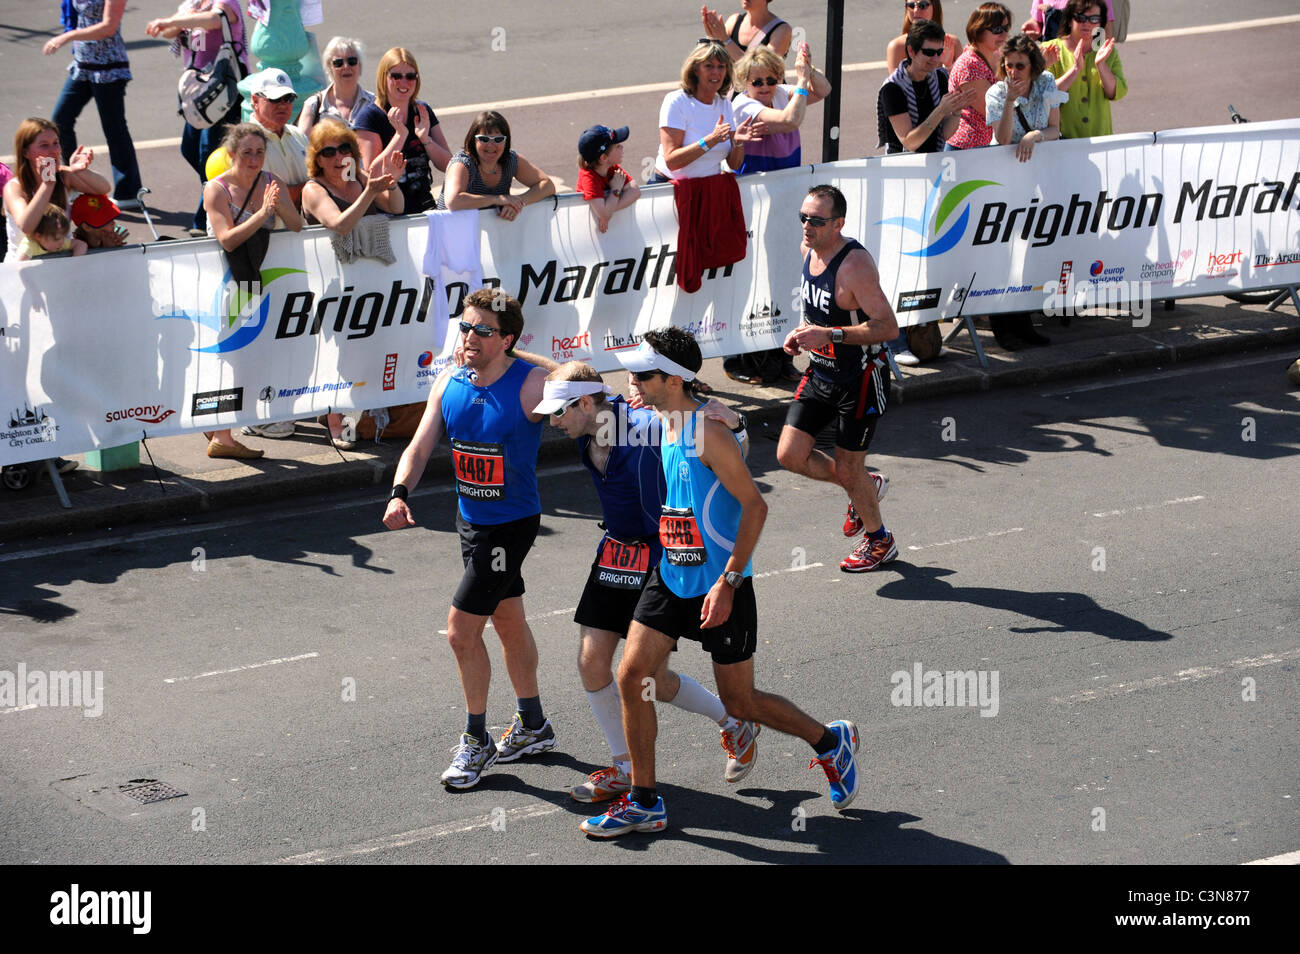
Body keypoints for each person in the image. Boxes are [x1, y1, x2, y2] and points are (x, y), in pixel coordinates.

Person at [580, 329, 861, 837]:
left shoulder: (706, 433)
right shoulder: (661, 420)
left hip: (721, 583)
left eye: (643, 374)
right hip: (671, 574)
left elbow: (756, 505)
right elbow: (574, 394)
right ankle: (645, 800)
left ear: (673, 379)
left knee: (741, 703)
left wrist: (729, 581)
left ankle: (828, 740)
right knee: (631, 675)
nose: (631, 381)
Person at [535, 361, 759, 803]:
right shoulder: (587, 425)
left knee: (649, 678)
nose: (551, 423)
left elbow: (719, 440)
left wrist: (737, 420)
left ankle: (734, 723)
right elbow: (560, 373)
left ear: (584, 402)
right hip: (617, 549)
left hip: (664, 557)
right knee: (591, 660)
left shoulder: (645, 424)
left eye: (558, 413)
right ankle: (623, 767)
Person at [382, 289, 555, 791]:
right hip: (470, 521)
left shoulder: (531, 384)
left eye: (483, 330)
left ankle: (476, 740)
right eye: (465, 327)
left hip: (511, 526)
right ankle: (533, 724)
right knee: (506, 619)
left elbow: (584, 376)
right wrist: (399, 493)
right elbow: (418, 447)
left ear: (507, 339)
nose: (469, 338)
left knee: (460, 632)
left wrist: (516, 353)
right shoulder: (449, 381)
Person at [778, 185, 900, 573]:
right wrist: (800, 333)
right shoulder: (807, 251)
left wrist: (829, 336)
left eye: (817, 220)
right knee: (789, 455)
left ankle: (880, 540)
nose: (807, 227)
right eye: (804, 217)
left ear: (839, 223)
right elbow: (818, 314)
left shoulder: (854, 266)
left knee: (849, 468)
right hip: (821, 372)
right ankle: (863, 484)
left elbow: (888, 327)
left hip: (860, 378)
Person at [723, 42, 831, 385]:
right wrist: (799, 82)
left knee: (782, 277)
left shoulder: (784, 92)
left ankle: (778, 356)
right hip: (756, 205)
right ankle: (739, 357)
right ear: (745, 84)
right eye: (758, 81)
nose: (767, 86)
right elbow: (790, 121)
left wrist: (807, 70)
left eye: (772, 78)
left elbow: (824, 89)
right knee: (753, 278)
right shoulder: (743, 105)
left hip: (786, 202)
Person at [202, 123, 303, 459]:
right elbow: (227, 238)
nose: (254, 158)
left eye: (260, 152)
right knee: (229, 359)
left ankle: (223, 433)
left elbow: (297, 223)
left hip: (253, 283)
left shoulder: (270, 182)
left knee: (246, 358)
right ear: (231, 154)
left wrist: (277, 203)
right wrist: (261, 213)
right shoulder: (216, 190)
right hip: (223, 286)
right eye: (247, 152)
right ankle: (222, 436)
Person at [301, 119, 404, 448]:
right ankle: (334, 420)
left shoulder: (359, 178)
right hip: (330, 284)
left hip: (368, 279)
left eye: (345, 148)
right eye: (329, 151)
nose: (338, 156)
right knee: (337, 354)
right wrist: (371, 192)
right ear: (318, 158)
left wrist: (393, 184)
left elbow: (397, 207)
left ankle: (359, 412)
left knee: (367, 347)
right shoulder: (313, 189)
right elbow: (340, 224)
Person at [878, 20, 970, 365]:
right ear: (911, 52)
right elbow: (909, 140)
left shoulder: (941, 78)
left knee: (926, 261)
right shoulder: (893, 89)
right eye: (928, 53)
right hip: (902, 179)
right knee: (901, 261)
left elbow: (947, 131)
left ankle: (922, 334)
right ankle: (896, 339)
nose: (935, 59)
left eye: (940, 52)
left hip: (933, 176)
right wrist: (942, 111)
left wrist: (955, 110)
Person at [985, 34, 1063, 350]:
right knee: (1003, 252)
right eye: (1009, 65)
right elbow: (1002, 140)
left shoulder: (1045, 83)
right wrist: (1008, 102)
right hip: (1002, 179)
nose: (1014, 71)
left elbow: (1055, 129)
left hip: (1035, 177)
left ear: (1033, 66)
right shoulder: (997, 91)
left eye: (1021, 65)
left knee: (1029, 251)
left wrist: (1034, 136)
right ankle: (1001, 326)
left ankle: (1024, 321)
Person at [146, 0, 248, 236]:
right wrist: (174, 22)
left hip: (223, 89)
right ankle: (230, 191)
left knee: (207, 154)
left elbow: (214, 19)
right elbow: (171, 31)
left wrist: (175, 20)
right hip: (197, 91)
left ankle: (203, 221)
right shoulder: (192, 4)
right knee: (189, 149)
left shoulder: (225, 2)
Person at [44, 0, 142, 207]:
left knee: (114, 128)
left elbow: (108, 27)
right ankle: (71, 182)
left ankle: (128, 192)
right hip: (82, 65)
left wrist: (67, 36)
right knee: (60, 121)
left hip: (108, 67)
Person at [649, 40, 763, 183]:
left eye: (721, 67)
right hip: (670, 189)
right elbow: (672, 162)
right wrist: (711, 140)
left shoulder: (725, 105)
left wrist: (738, 143)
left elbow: (734, 164)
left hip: (707, 189)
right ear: (695, 70)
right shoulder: (676, 101)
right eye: (709, 66)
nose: (716, 72)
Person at [354, 48, 450, 214]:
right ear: (384, 78)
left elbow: (450, 165)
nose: (404, 82)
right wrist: (400, 136)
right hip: (389, 212)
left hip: (424, 208)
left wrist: (426, 139)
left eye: (410, 76)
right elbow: (373, 174)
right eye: (396, 76)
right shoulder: (369, 117)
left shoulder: (422, 110)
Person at [4, 118, 110, 261]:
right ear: (25, 153)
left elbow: (104, 188)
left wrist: (80, 171)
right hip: (23, 267)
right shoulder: (14, 187)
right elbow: (26, 227)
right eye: (44, 145)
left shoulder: (63, 175)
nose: (53, 151)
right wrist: (47, 185)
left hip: (60, 262)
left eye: (55, 143)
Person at [436, 111, 555, 220]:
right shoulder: (462, 163)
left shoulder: (511, 159)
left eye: (498, 139)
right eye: (484, 139)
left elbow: (547, 185)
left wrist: (518, 203)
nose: (491, 145)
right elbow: (453, 201)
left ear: (506, 142)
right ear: (473, 140)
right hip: (451, 232)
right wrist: (498, 199)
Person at [1045, 0, 1126, 138]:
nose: (1087, 23)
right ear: (1070, 20)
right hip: (1063, 141)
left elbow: (1116, 92)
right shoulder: (1050, 49)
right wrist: (1075, 70)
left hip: (1100, 138)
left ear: (1100, 23)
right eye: (1080, 17)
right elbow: (1045, 93)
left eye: (1094, 19)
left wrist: (1101, 65)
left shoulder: (1107, 50)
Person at [945, 3, 1013, 150]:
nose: (1004, 34)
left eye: (1006, 28)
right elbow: (993, 111)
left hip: (985, 146)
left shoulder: (996, 55)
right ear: (978, 30)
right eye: (997, 30)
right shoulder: (969, 65)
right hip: (966, 149)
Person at [245, 68, 310, 208]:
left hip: (305, 228)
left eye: (288, 98)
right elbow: (266, 198)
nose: (283, 105)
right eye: (275, 99)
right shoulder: (245, 143)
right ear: (255, 101)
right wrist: (314, 189)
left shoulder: (298, 135)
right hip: (270, 230)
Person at [297, 37, 375, 135]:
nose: (346, 66)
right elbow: (301, 146)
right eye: (338, 63)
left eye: (352, 61)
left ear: (359, 65)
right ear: (329, 67)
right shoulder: (313, 106)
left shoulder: (374, 103)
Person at [576, 125, 639, 234]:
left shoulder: (612, 168)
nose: (622, 147)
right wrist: (616, 191)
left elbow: (635, 191)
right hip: (587, 235)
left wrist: (610, 209)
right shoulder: (588, 177)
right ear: (604, 158)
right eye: (617, 146)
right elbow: (604, 214)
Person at [699, 1, 792, 62]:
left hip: (765, 92)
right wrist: (712, 37)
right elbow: (717, 60)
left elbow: (762, 70)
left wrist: (725, 39)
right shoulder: (734, 21)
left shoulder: (782, 30)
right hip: (735, 92)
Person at [886, 0, 959, 71]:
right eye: (911, 5)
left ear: (935, 7)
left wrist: (948, 66)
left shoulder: (952, 43)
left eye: (922, 5)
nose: (915, 10)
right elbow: (897, 83)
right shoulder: (897, 46)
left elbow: (963, 82)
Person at [15, 206, 88, 260]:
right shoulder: (29, 246)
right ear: (38, 236)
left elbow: (82, 245)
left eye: (64, 237)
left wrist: (74, 263)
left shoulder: (58, 243)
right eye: (57, 239)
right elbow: (19, 266)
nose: (62, 242)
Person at [1022, 0, 1111, 41]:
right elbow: (1037, 18)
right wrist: (1034, 24)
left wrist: (1102, 58)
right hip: (1052, 54)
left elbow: (1105, 27)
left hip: (1086, 56)